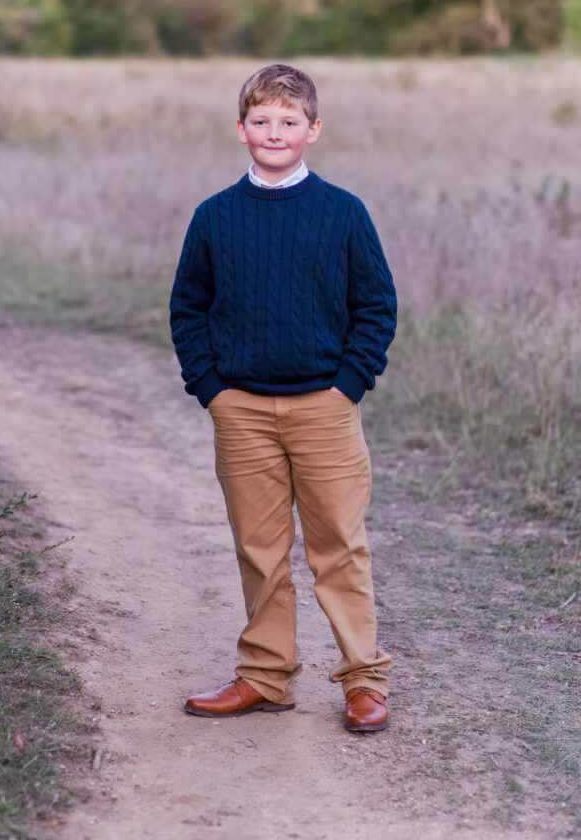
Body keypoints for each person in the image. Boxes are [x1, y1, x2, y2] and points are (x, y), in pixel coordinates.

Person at [169, 64, 397, 732]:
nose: (275, 132)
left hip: (324, 405)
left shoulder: (343, 213)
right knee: (259, 549)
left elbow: (375, 307)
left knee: (338, 546)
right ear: (240, 131)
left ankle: (362, 681)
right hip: (239, 407)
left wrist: (348, 382)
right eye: (262, 121)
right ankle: (265, 676)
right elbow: (188, 308)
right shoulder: (214, 217)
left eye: (288, 122)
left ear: (312, 131)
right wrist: (210, 386)